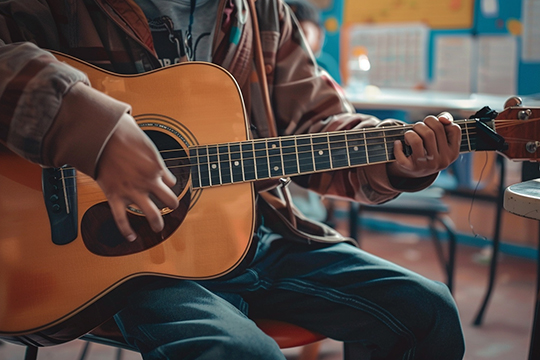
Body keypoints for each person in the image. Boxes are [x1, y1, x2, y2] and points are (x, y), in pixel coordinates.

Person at [0, 1, 465, 359]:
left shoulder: (258, 11)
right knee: (242, 353)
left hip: (258, 230)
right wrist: (92, 130)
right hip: (128, 258)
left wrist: (399, 163)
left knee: (428, 311)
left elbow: (315, 126)